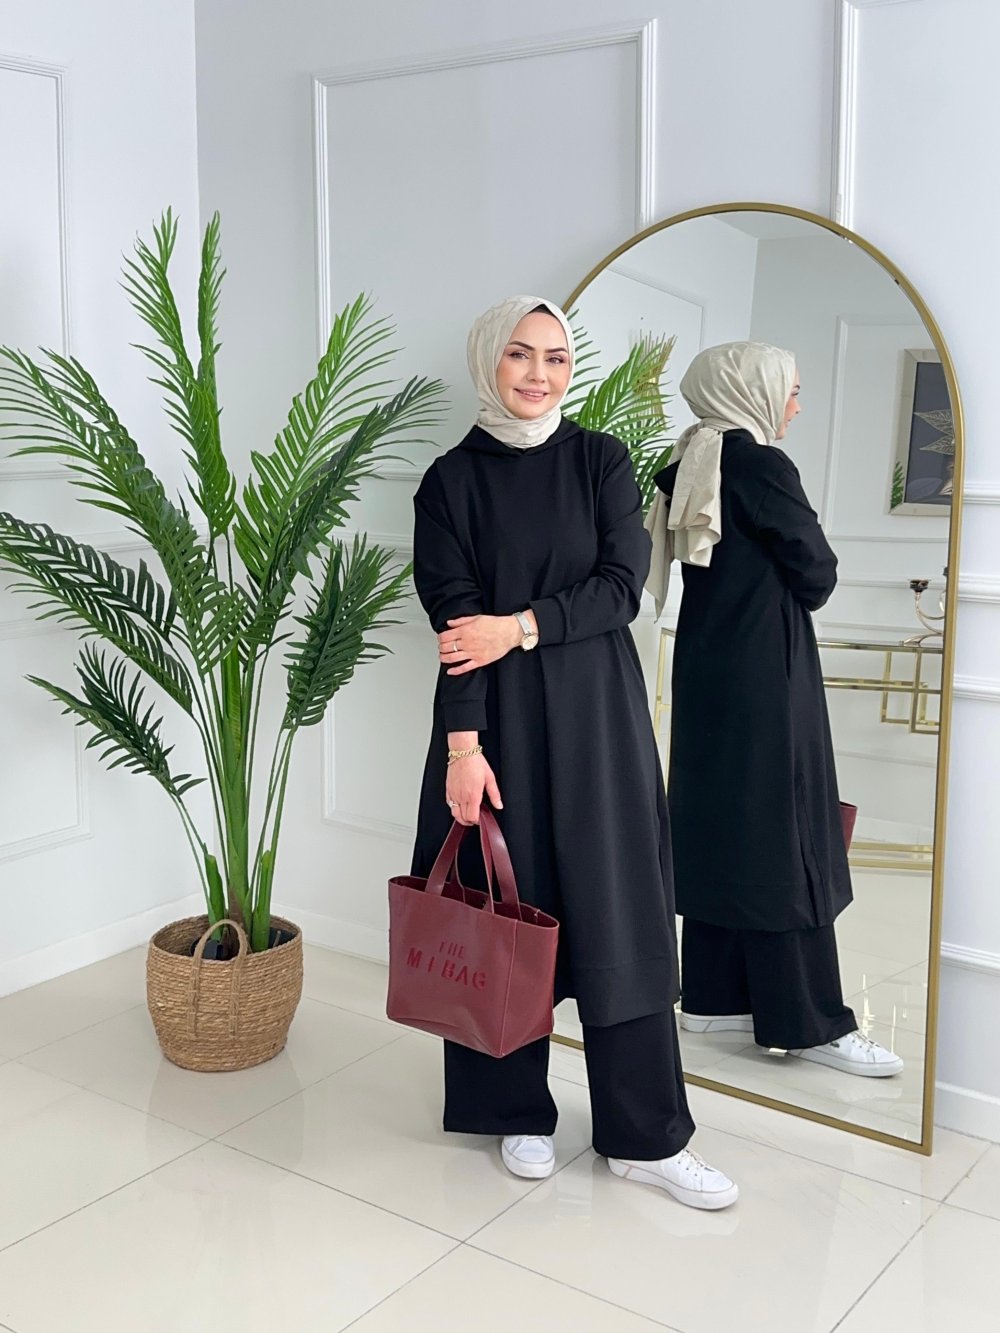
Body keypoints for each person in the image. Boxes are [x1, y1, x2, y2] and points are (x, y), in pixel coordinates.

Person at [409, 296, 739, 1209]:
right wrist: (463, 749)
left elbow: (621, 588)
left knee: (619, 915)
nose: (539, 374)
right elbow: (455, 628)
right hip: (497, 727)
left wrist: (517, 625)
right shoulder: (449, 483)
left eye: (555, 357)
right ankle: (512, 1108)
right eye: (521, 354)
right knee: (502, 912)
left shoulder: (600, 460)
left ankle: (646, 1136)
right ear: (490, 360)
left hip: (599, 723)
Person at [645, 341, 902, 1077]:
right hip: (766, 674)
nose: (795, 404)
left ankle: (713, 999)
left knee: (724, 824)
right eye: (789, 390)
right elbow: (816, 573)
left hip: (705, 670)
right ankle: (810, 1021)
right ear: (748, 390)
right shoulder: (759, 465)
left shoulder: (685, 460)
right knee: (789, 837)